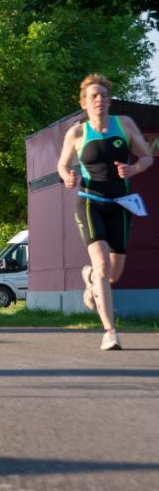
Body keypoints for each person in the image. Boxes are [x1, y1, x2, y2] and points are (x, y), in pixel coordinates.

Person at [57, 74, 153, 351]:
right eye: (93, 96)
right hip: (90, 202)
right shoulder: (77, 133)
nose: (99, 100)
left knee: (113, 274)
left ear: (109, 101)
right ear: (84, 103)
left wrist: (134, 168)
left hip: (121, 203)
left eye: (103, 96)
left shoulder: (124, 125)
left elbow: (146, 156)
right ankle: (110, 331)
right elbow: (62, 165)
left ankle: (90, 280)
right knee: (102, 266)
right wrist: (68, 177)